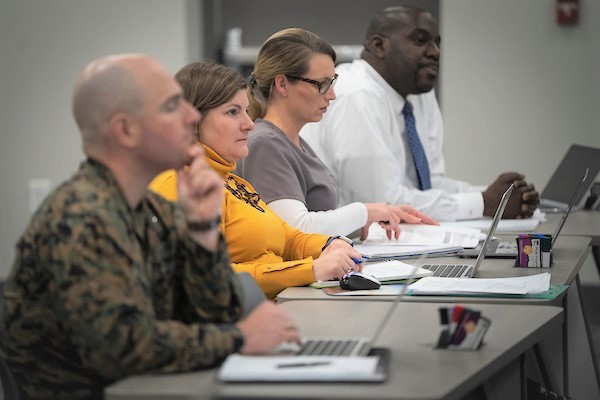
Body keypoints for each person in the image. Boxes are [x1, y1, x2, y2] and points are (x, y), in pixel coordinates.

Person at [0, 54, 301, 400]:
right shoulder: (82, 216)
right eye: (172, 106)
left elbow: (215, 312)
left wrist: (203, 231)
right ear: (126, 130)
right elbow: (121, 348)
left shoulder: (153, 209)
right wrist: (241, 338)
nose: (192, 116)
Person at [300, 6, 540, 222]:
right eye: (420, 40)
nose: (435, 52)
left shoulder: (418, 96)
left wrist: (497, 196)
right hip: (348, 247)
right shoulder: (357, 94)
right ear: (379, 45)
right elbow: (383, 202)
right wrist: (484, 203)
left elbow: (428, 185)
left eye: (437, 43)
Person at [150, 60, 363, 300]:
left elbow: (289, 239)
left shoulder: (234, 184)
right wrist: (309, 270)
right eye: (232, 112)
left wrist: (328, 245)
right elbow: (204, 278)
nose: (249, 124)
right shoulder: (179, 185)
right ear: (193, 122)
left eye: (246, 110)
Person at [235, 28, 438, 240]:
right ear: (282, 84)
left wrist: (373, 219)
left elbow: (316, 221)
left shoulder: (293, 141)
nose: (332, 95)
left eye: (332, 83)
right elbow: (295, 229)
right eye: (321, 84)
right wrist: (365, 212)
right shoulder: (266, 143)